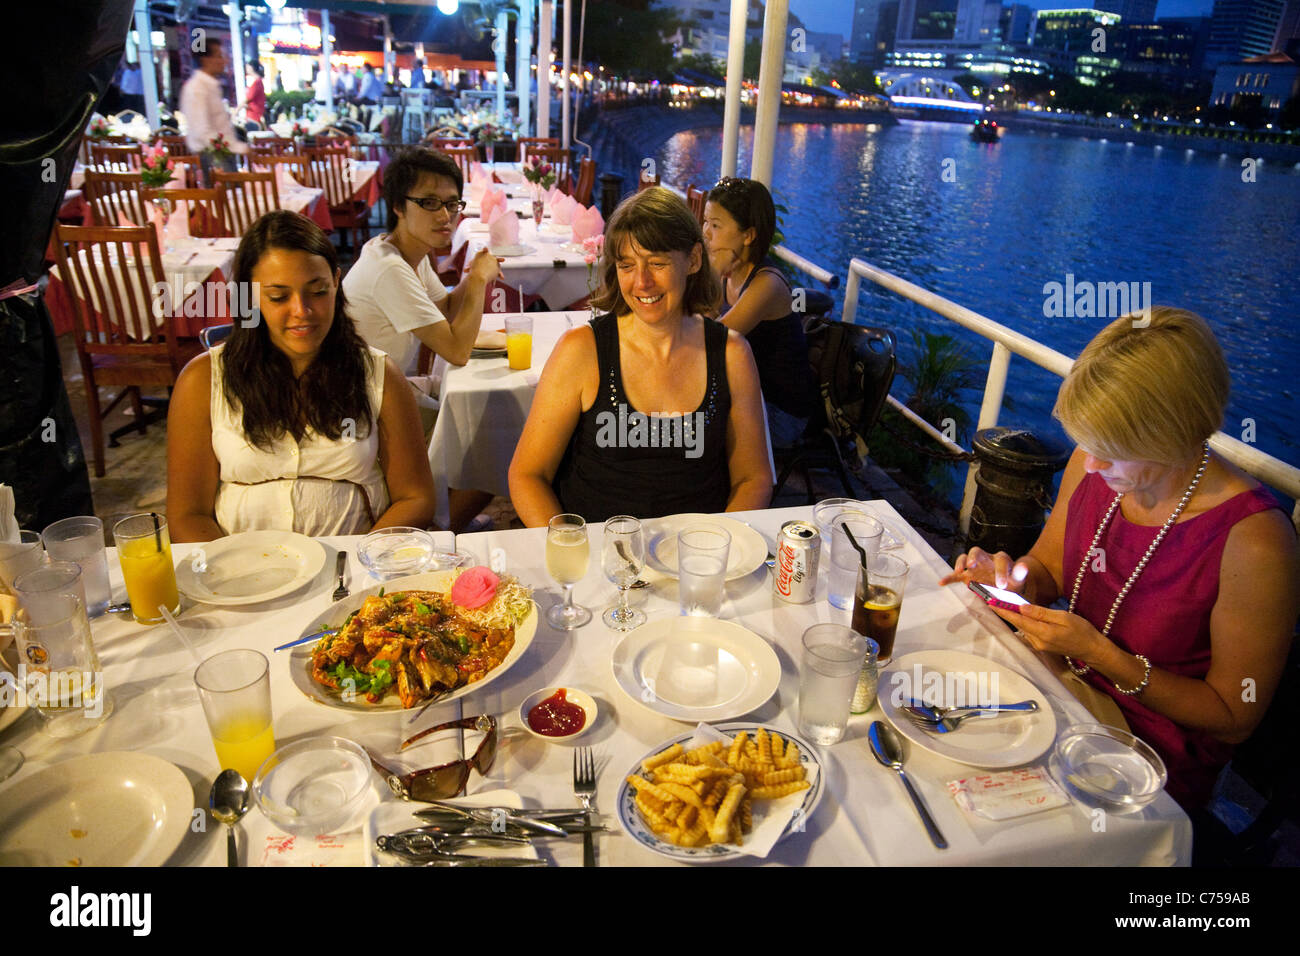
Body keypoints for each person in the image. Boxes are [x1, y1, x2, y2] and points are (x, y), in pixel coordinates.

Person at [939, 307, 1299, 811]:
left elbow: (1235, 716)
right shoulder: (1095, 471)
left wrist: (1102, 655)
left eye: (1112, 448)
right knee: (940, 751)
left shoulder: (1254, 540)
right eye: (1087, 442)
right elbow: (1046, 572)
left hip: (1148, 760)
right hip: (1059, 691)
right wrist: (1008, 579)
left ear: (1174, 435)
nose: (1090, 463)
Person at [508, 187, 774, 526]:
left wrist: (719, 549)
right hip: (598, 552)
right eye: (627, 265)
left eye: (658, 263)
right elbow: (528, 474)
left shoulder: (732, 354)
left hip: (695, 555)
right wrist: (571, 547)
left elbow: (753, 478)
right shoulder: (581, 350)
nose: (641, 282)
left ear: (693, 259)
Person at [166, 211, 437, 542]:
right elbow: (186, 514)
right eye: (278, 296)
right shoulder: (203, 379)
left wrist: (360, 558)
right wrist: (234, 572)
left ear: (337, 283)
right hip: (239, 578)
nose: (302, 311)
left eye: (318, 291)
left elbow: (416, 498)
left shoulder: (378, 374)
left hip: (351, 572)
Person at [342, 147, 502, 532]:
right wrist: (478, 282)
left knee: (482, 423)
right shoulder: (388, 269)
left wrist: (468, 274)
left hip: (386, 387)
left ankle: (443, 514)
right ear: (398, 205)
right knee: (494, 446)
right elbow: (456, 350)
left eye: (451, 204)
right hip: (358, 403)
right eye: (429, 203)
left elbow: (443, 310)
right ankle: (439, 528)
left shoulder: (407, 254)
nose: (444, 216)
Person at [703, 177, 818, 447]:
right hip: (746, 394)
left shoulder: (767, 285)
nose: (706, 232)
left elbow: (711, 342)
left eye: (716, 225)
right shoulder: (729, 274)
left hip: (780, 413)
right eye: (706, 221)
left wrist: (712, 273)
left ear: (749, 235)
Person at [179, 38, 246, 178]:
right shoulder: (197, 88)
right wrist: (237, 147)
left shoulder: (211, 86)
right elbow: (202, 132)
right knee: (228, 197)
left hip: (222, 154)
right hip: (213, 157)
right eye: (220, 56)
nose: (225, 61)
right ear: (206, 60)